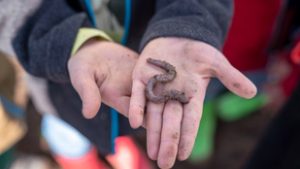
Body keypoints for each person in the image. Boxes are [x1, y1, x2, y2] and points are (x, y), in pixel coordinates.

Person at [13, 0, 256, 168]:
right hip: (59, 91)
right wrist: (72, 42)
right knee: (67, 134)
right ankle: (81, 161)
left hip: (130, 81)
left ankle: (118, 151)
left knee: (133, 119)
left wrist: (189, 20)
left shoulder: (160, 82)